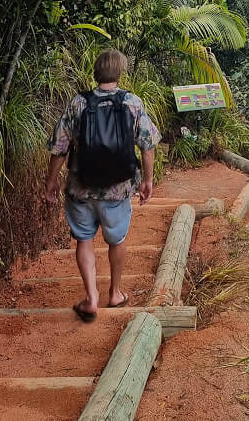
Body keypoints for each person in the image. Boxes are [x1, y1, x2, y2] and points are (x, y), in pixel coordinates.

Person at [44, 48, 161, 322]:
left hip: (80, 188)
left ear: (96, 72)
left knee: (84, 238)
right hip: (118, 190)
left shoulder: (78, 104)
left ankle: (91, 298)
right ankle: (115, 293)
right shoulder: (132, 103)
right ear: (119, 72)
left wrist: (50, 184)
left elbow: (59, 149)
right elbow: (147, 145)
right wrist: (147, 180)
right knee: (116, 239)